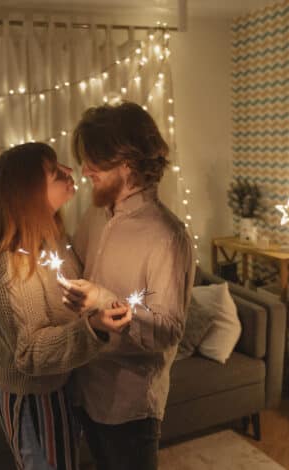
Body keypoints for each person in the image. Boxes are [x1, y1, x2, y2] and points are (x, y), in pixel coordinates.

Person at [0, 142, 132, 470]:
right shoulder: (11, 268)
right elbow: (30, 352)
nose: (68, 172)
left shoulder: (55, 240)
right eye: (54, 172)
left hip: (62, 387)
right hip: (33, 400)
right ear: (29, 192)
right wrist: (93, 328)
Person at [61, 102, 196, 470]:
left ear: (126, 165)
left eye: (94, 161)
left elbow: (168, 331)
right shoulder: (94, 215)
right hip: (84, 388)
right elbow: (75, 267)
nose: (85, 170)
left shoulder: (166, 237)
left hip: (129, 407)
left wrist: (105, 300)